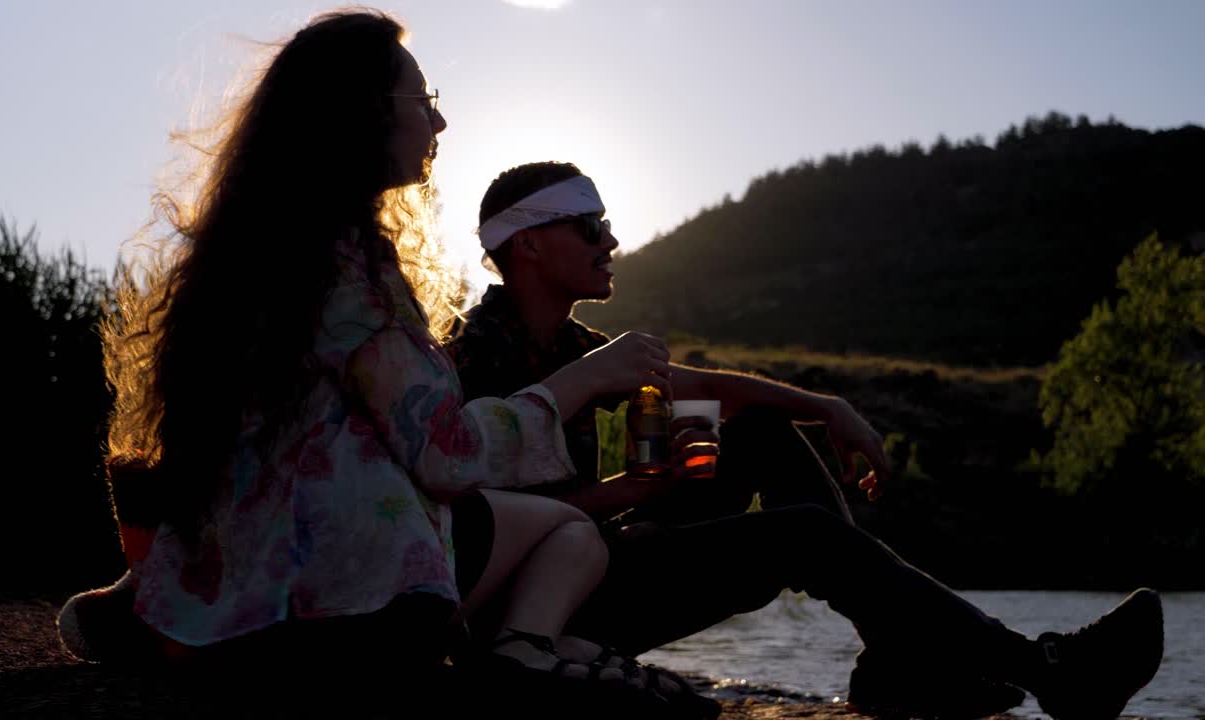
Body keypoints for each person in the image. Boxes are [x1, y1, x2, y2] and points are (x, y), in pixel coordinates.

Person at [56, 12, 718, 718]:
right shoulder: (347, 271)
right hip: (355, 601)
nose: (440, 122)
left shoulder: (254, 256)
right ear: (364, 113)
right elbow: (444, 453)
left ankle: (146, 608)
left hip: (240, 582)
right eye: (424, 101)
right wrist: (580, 382)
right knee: (567, 530)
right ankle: (524, 653)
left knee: (551, 528)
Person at [441, 160, 1167, 719]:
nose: (611, 241)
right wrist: (627, 492)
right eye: (589, 226)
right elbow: (475, 528)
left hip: (597, 554)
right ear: (528, 244)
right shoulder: (473, 357)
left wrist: (826, 406)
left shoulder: (571, 344)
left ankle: (893, 659)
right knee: (803, 534)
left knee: (760, 429)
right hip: (537, 609)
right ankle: (1047, 669)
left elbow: (709, 389)